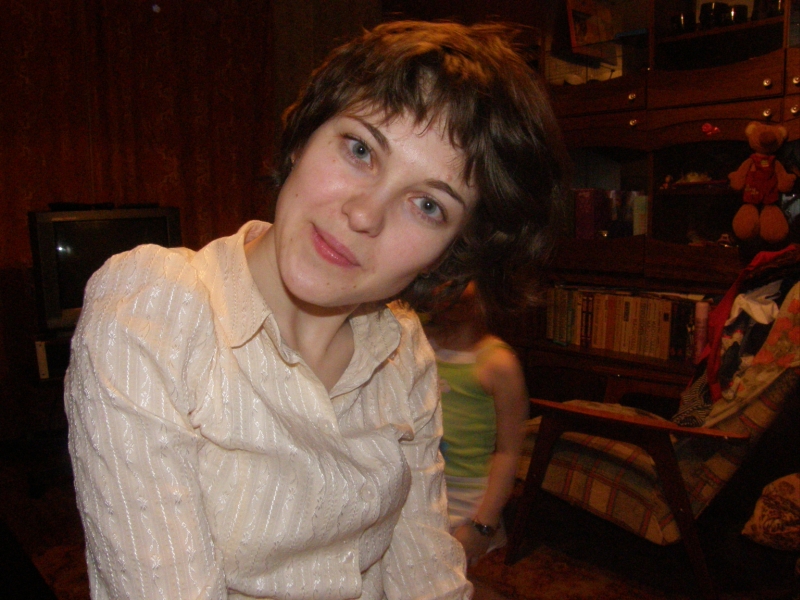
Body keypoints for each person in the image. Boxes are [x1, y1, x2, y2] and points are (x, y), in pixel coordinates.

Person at [64, 19, 569, 600]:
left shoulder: (403, 349)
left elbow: (426, 575)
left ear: (450, 253)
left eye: (428, 205)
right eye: (360, 150)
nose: (364, 214)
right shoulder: (152, 310)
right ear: (303, 137)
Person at [423, 282, 529, 563]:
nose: (454, 288)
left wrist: (484, 524)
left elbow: (508, 451)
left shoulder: (498, 363)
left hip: (466, 505)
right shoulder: (416, 343)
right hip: (417, 494)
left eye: (467, 278)